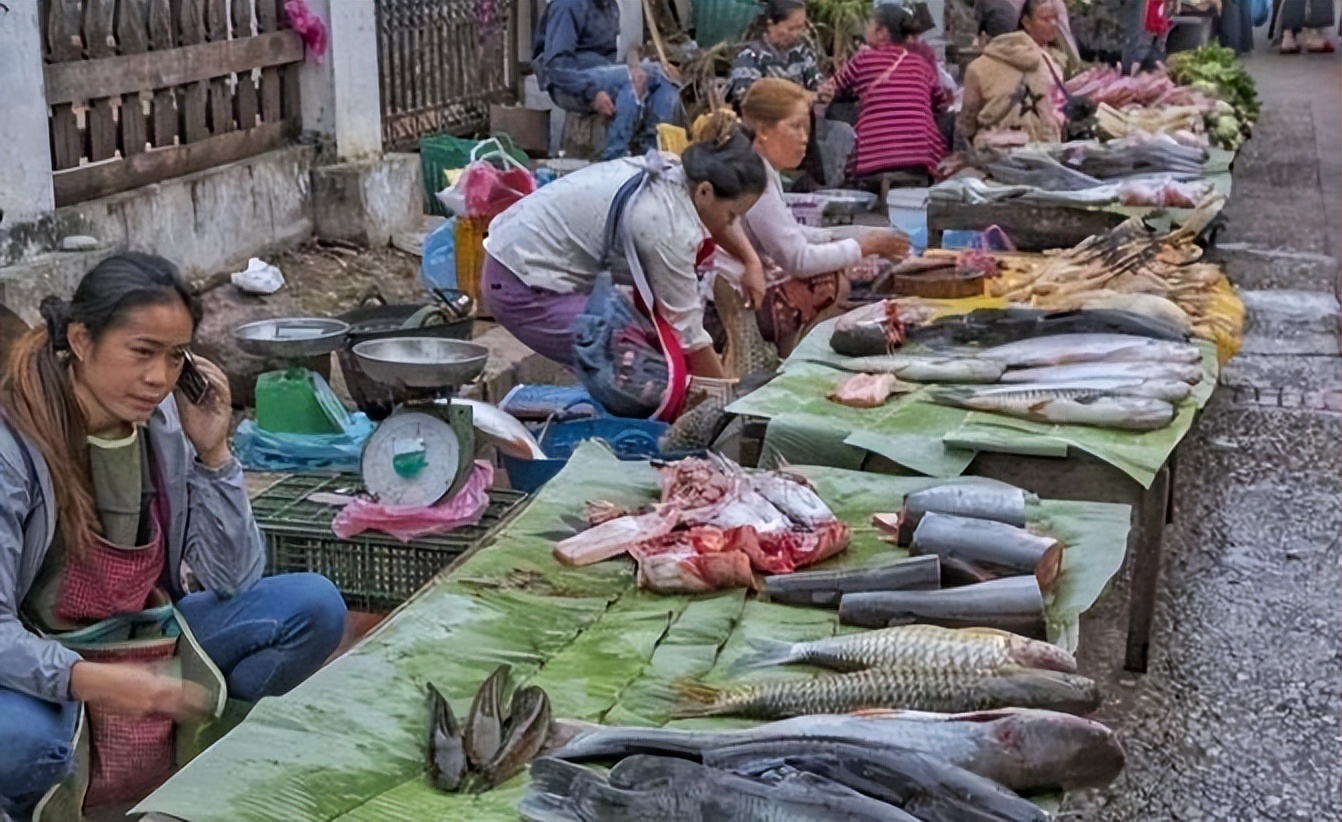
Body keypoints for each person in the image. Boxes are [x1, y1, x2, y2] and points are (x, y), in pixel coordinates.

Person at [0, 254, 347, 820]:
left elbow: (233, 578)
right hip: (37, 665)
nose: (159, 378)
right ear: (82, 341)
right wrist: (95, 682)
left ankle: (200, 764)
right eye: (141, 352)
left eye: (175, 355)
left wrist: (214, 453)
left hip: (146, 638)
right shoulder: (12, 447)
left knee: (313, 606)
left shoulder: (164, 423)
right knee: (24, 746)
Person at [482, 138, 769, 381]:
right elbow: (688, 335)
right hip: (521, 282)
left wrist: (751, 261)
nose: (734, 223)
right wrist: (727, 403)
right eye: (733, 215)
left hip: (525, 252)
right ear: (705, 191)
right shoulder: (665, 226)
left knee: (649, 355)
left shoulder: (677, 172)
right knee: (647, 374)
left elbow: (721, 221)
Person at [715, 80, 909, 355]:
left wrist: (852, 236)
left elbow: (791, 232)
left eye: (806, 127)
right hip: (735, 299)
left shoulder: (759, 167)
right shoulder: (753, 176)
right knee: (831, 280)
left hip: (740, 288)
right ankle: (797, 356)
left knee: (837, 264)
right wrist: (863, 247)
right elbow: (798, 259)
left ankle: (789, 354)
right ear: (764, 131)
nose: (804, 137)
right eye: (795, 127)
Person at [533, 0, 681, 160]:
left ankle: (650, 154)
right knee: (640, 77)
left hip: (599, 74)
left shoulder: (610, 6)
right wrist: (592, 92)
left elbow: (611, 62)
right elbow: (556, 67)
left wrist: (632, 67)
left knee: (663, 80)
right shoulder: (568, 5)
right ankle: (613, 158)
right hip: (568, 83)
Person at [819, 4, 951, 180]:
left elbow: (830, 88)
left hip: (872, 157)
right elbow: (941, 103)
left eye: (869, 24)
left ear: (881, 32)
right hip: (922, 156)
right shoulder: (921, 64)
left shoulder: (863, 60)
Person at [958, 0, 1065, 149]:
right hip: (1043, 149)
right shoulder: (1041, 61)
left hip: (996, 151)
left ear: (983, 36)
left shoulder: (976, 68)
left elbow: (967, 123)